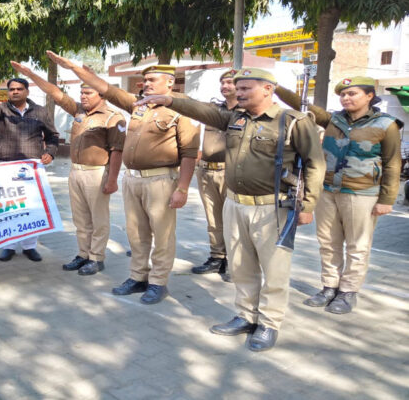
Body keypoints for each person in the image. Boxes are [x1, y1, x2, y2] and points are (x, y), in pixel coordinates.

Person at [135, 67, 325, 351]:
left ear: (268, 89)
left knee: (274, 269)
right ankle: (246, 315)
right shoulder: (235, 118)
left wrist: (308, 205)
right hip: (235, 204)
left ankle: (269, 323)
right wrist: (169, 99)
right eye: (238, 88)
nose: (240, 93)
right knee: (240, 266)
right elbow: (201, 110)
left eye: (246, 88)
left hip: (272, 208)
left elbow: (315, 164)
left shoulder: (293, 122)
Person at [47, 52, 199, 305]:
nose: (146, 84)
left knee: (162, 235)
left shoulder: (182, 109)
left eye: (152, 80)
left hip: (161, 180)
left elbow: (190, 154)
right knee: (136, 233)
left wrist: (182, 188)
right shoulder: (138, 106)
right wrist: (73, 68)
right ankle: (138, 276)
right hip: (134, 180)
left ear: (169, 83)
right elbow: (104, 87)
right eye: (145, 80)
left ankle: (159, 282)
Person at [274, 76, 403, 314]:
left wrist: (387, 199)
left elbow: (393, 164)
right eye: (343, 94)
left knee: (357, 245)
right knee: (328, 243)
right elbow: (301, 105)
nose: (346, 98)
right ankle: (329, 287)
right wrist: (276, 87)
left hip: (362, 193)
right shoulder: (333, 119)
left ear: (369, 96)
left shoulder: (387, 124)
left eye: (352, 93)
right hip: (328, 191)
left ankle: (348, 292)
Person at [10, 61, 125, 275]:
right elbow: (55, 92)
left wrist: (112, 180)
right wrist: (31, 74)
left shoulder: (113, 117)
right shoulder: (79, 111)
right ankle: (83, 254)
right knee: (80, 218)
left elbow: (117, 151)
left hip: (97, 173)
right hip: (76, 171)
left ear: (101, 94)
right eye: (81, 93)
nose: (83, 96)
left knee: (98, 219)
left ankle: (97, 258)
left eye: (88, 93)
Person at [0, 77, 59, 262]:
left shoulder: (40, 112)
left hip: (32, 168)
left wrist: (50, 152)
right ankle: (8, 246)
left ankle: (29, 246)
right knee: (8, 207)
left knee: (31, 207)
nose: (15, 92)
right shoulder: (1, 110)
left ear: (27, 91)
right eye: (12, 89)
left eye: (19, 89)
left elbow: (53, 135)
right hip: (6, 166)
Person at [191, 69, 239, 281]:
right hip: (207, 171)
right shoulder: (213, 110)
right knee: (213, 219)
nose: (225, 86)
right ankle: (217, 257)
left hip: (232, 173)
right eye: (223, 82)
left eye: (230, 82)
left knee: (233, 221)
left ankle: (235, 263)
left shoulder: (246, 113)